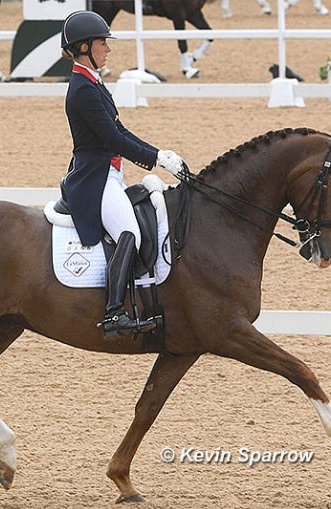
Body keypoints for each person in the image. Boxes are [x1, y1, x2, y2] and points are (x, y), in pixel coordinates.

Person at [60, 10, 186, 341]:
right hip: (95, 178)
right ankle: (114, 312)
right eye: (103, 43)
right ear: (85, 46)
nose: (108, 49)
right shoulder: (82, 88)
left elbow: (120, 130)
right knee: (129, 231)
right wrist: (156, 158)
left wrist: (158, 153)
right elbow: (112, 140)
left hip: (109, 173)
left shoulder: (92, 82)